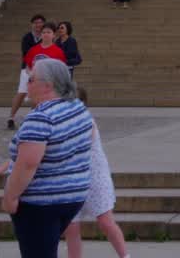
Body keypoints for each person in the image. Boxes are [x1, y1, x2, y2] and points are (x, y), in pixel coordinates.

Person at [0, 60, 93, 258]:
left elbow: (28, 163)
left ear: (48, 85)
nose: (27, 85)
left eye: (31, 79)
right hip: (73, 196)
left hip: (41, 203)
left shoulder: (41, 117)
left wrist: (10, 196)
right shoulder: (77, 108)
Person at [57, 88, 131, 258]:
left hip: (94, 177)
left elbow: (76, 146)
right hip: (71, 179)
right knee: (71, 228)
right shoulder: (60, 122)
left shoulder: (86, 121)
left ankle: (125, 256)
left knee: (105, 221)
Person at [8, 15, 46, 130]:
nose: (38, 25)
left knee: (37, 94)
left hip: (41, 69)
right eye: (36, 22)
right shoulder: (27, 37)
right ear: (32, 24)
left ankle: (31, 119)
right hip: (27, 68)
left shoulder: (46, 36)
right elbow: (26, 53)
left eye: (40, 22)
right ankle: (11, 117)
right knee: (22, 92)